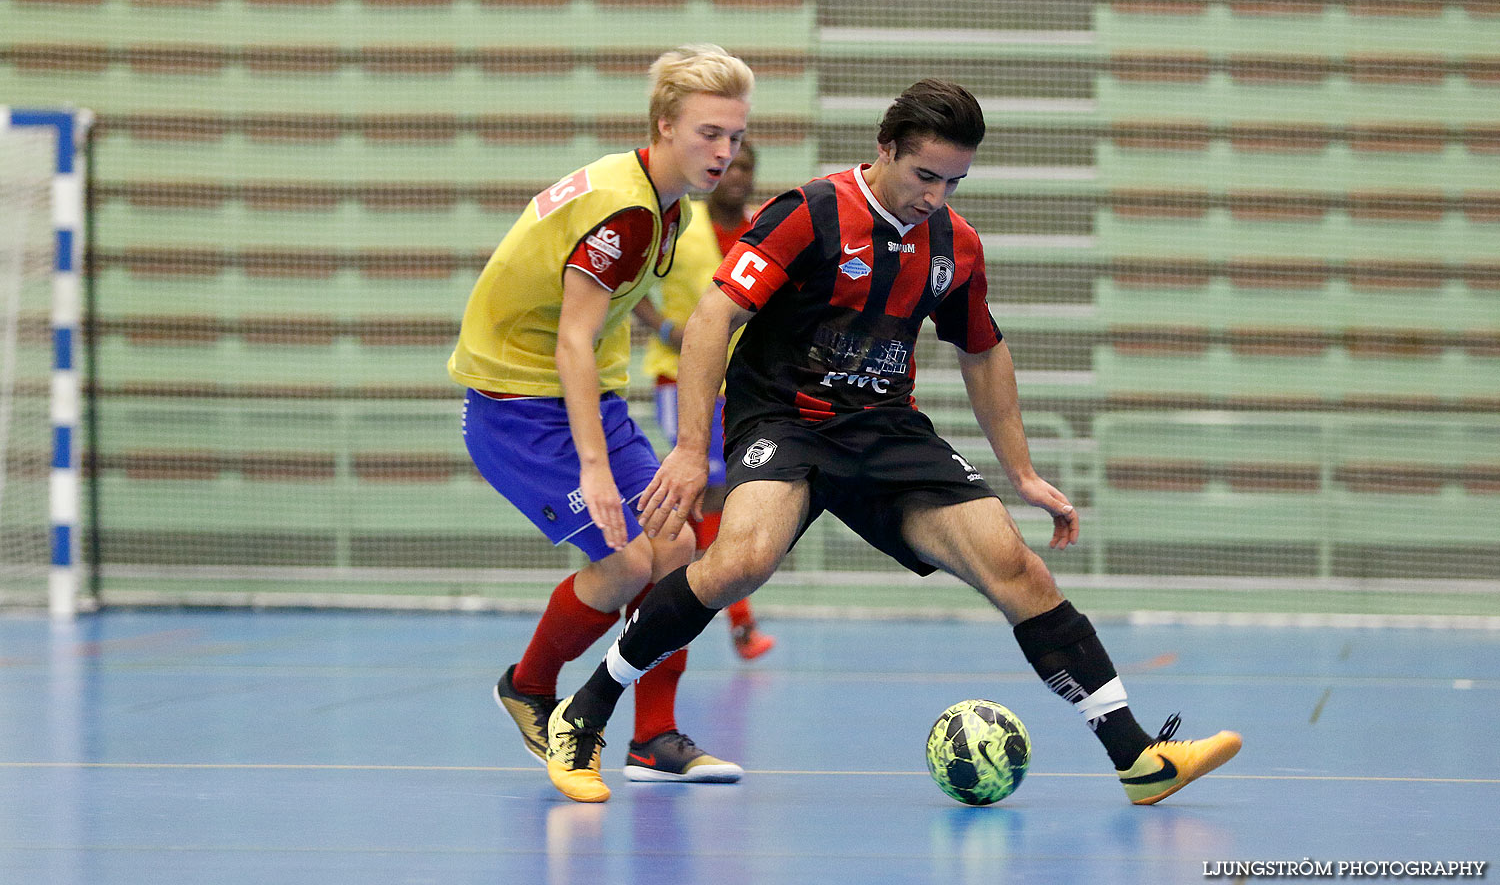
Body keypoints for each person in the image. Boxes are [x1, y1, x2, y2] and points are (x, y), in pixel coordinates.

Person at [542, 79, 1242, 804]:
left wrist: (1024, 474)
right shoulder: (810, 213)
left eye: (955, 181)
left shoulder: (955, 245)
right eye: (925, 176)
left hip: (884, 429)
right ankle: (586, 709)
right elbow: (715, 316)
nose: (937, 195)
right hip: (785, 418)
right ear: (886, 151)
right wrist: (691, 450)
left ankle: (1138, 758)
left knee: (1016, 566)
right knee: (738, 563)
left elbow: (983, 350)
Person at [448, 44, 754, 787]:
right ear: (663, 125)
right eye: (708, 133)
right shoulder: (626, 209)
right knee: (624, 562)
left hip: (588, 397)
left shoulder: (664, 202)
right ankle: (530, 687)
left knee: (677, 545)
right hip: (518, 405)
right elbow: (572, 340)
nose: (724, 151)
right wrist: (595, 465)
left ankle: (653, 738)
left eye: (736, 136)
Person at [634, 141, 775, 661]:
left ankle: (665, 599)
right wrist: (667, 328)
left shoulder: (764, 227)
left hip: (743, 383)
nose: (736, 175)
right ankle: (736, 623)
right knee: (709, 492)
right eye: (729, 165)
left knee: (710, 500)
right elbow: (633, 287)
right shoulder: (681, 224)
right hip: (683, 380)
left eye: (746, 167)